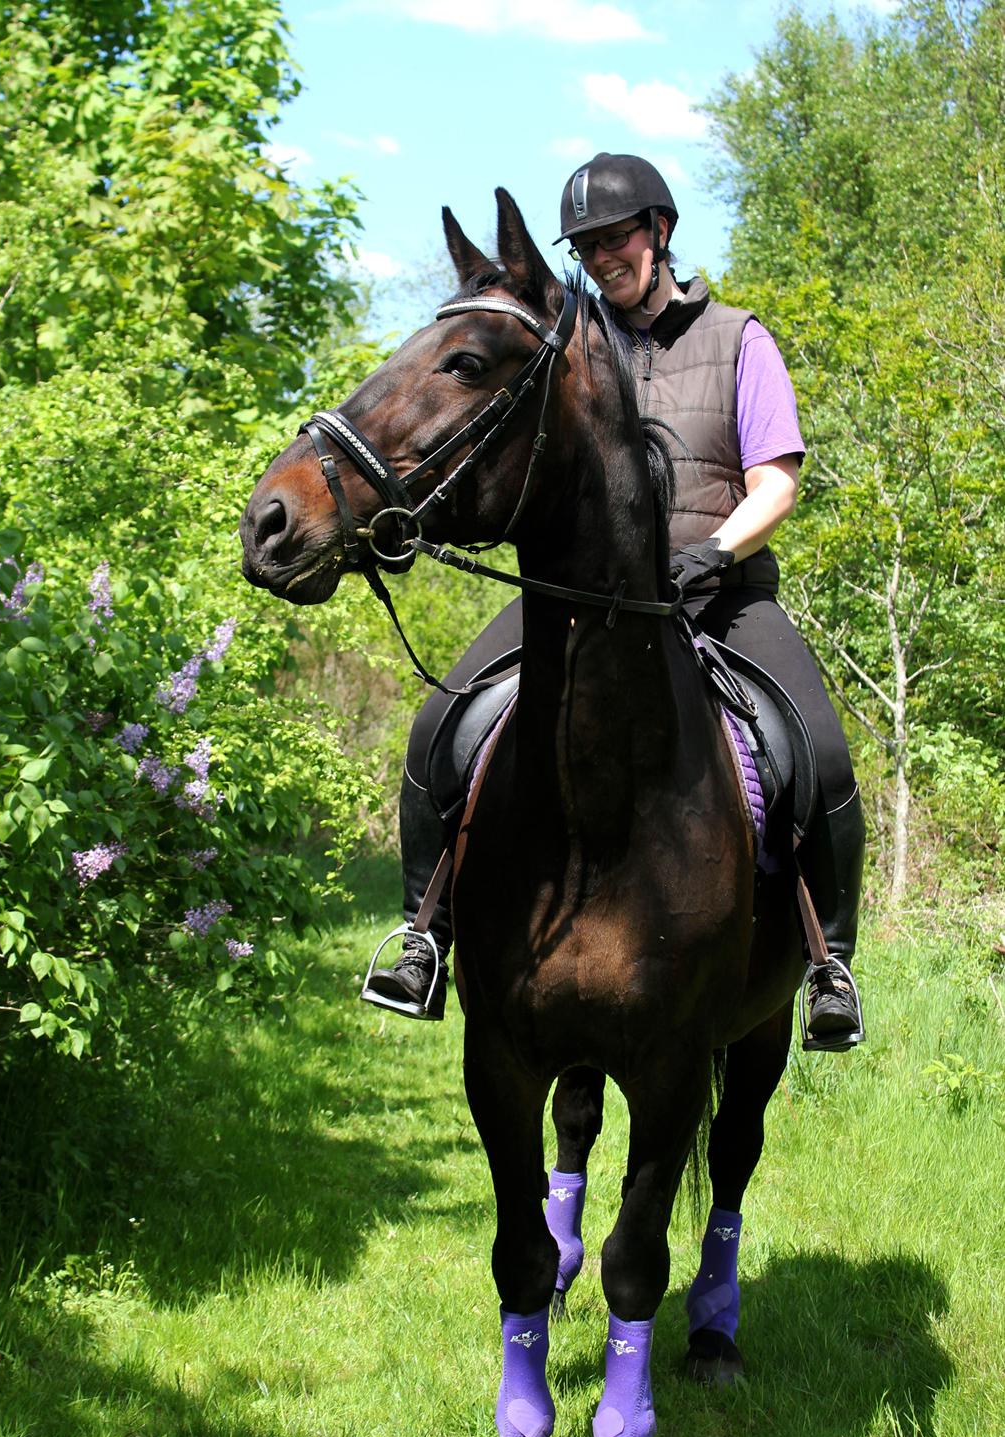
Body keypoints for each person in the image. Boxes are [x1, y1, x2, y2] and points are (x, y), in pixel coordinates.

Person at [363, 152, 865, 1051]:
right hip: (575, 594)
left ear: (659, 232)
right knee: (441, 720)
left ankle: (830, 963)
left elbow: (776, 484)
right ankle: (422, 932)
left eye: (613, 238)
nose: (600, 257)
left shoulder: (738, 339)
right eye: (585, 245)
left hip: (716, 588)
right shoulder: (562, 340)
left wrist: (711, 553)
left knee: (819, 751)